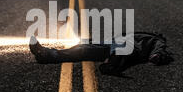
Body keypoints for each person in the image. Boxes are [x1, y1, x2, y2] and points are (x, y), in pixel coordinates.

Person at [29, 32, 173, 76]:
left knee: (120, 44)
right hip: (110, 46)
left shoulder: (155, 39)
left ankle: (113, 65)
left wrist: (156, 56)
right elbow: (109, 40)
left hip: (130, 49)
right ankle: (45, 54)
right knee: (82, 48)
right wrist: (90, 41)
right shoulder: (133, 33)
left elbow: (160, 49)